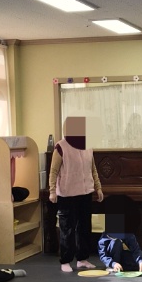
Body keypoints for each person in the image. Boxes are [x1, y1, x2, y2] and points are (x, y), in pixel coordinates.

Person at [48, 115, 104, 271]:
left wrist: (98, 187)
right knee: (67, 228)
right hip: (67, 194)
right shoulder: (61, 147)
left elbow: (93, 169)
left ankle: (82, 259)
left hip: (85, 192)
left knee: (84, 227)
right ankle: (65, 261)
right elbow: (53, 171)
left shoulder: (88, 146)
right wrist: (52, 191)